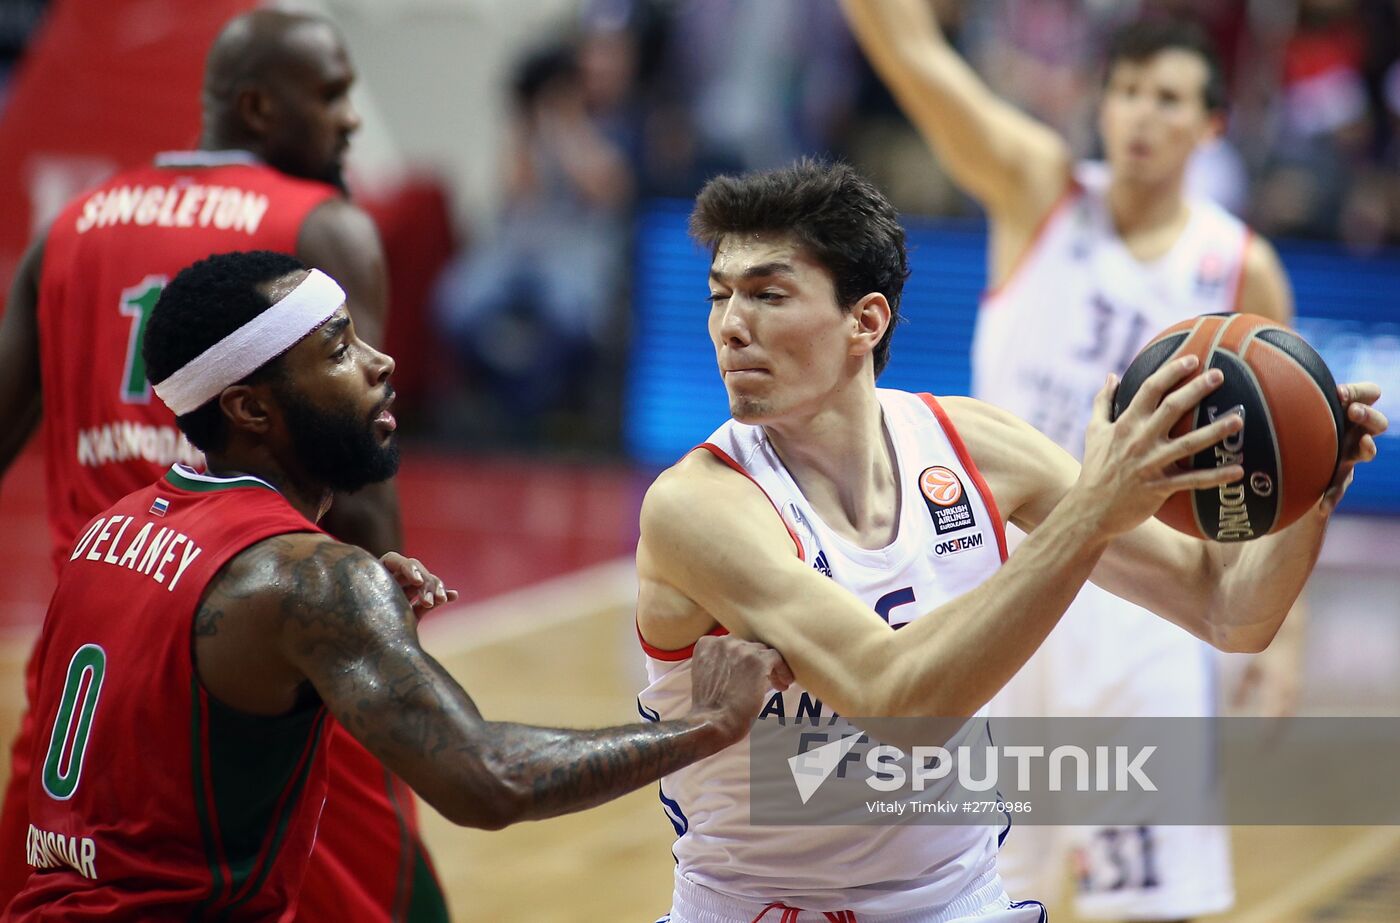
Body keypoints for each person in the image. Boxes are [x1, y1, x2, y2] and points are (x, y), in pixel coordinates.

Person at [633, 159, 1384, 922]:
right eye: (720, 295)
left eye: (767, 294)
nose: (730, 325)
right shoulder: (700, 505)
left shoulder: (974, 446)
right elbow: (899, 703)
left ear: (866, 321)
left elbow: (1229, 609)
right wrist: (1092, 510)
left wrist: (1312, 493)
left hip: (959, 903)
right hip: (758, 909)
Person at [1, 249, 790, 921]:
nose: (380, 362)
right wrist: (707, 722)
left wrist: (325, 622)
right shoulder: (308, 582)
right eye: (338, 349)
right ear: (249, 408)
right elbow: (490, 779)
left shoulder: (111, 532)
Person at [840, 4, 1302, 917]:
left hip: (1145, 598)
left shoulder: (1240, 268)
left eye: (1166, 98)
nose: (1140, 114)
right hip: (998, 577)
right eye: (1125, 91)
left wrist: (1283, 636)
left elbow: (1278, 472)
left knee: (1151, 900)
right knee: (976, 892)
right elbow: (915, 56)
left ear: (1211, 126)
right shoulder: (1037, 188)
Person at [0, 10, 427, 918]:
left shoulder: (72, 222)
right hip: (266, 660)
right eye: (331, 94)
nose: (351, 117)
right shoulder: (320, 227)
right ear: (260, 106)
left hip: (90, 660)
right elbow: (359, 480)